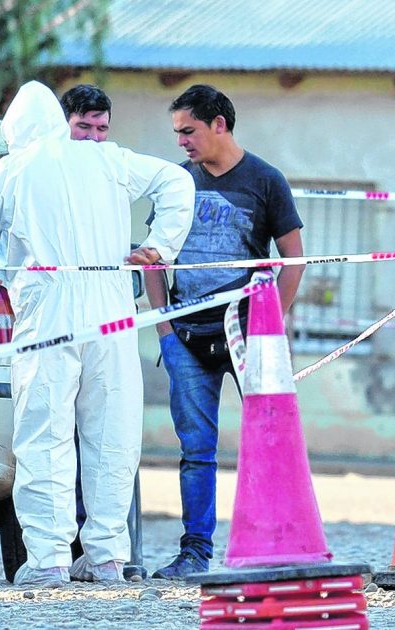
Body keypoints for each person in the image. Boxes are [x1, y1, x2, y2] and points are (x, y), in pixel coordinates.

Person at [0, 81, 193, 587]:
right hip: (112, 313)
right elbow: (176, 181)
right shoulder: (108, 159)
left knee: (45, 436)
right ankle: (107, 557)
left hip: (47, 315)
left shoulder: (11, 169)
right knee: (112, 434)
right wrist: (159, 246)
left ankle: (49, 558)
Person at [146, 84, 304, 580]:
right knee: (195, 450)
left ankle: (277, 548)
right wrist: (164, 328)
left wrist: (268, 328)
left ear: (219, 124)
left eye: (188, 131)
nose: (181, 142)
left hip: (246, 336)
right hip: (185, 340)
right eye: (177, 133)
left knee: (270, 443)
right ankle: (195, 552)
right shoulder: (176, 183)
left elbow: (294, 260)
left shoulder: (266, 180)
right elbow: (153, 257)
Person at [57, 83, 146, 581]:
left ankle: (104, 554)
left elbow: (176, 185)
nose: (92, 137)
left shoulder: (117, 166)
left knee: (111, 437)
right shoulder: (37, 169)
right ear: (62, 124)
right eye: (82, 126)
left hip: (107, 321)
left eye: (100, 128)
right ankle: (52, 556)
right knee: (52, 440)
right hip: (53, 320)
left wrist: (160, 246)